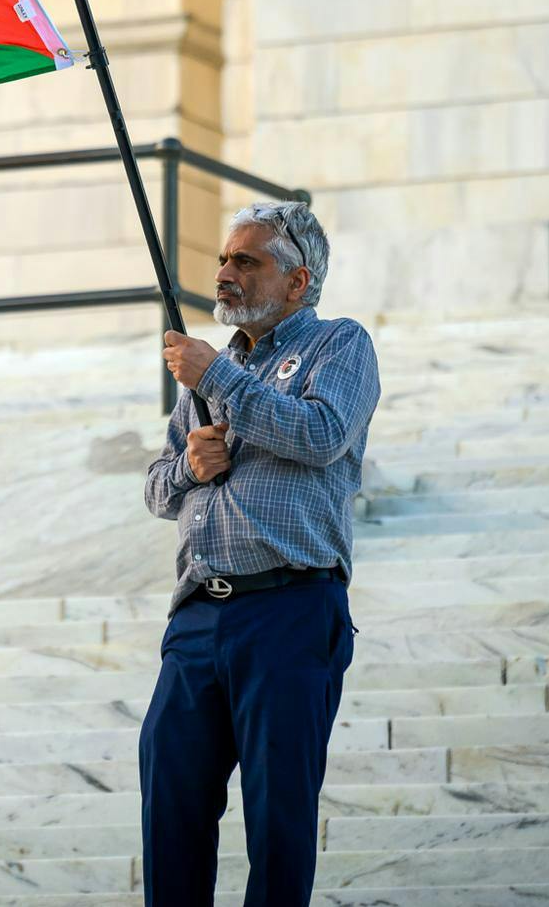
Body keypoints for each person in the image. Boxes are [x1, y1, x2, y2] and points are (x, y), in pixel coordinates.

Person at [139, 200, 380, 905]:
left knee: (277, 821)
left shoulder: (340, 344)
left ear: (298, 281)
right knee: (170, 805)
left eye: (246, 261)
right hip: (196, 621)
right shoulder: (217, 368)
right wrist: (190, 464)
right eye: (222, 259)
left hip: (290, 608)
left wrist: (216, 378)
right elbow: (157, 489)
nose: (224, 273)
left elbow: (320, 434)